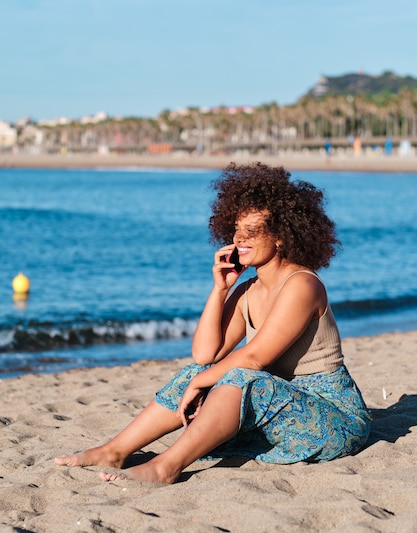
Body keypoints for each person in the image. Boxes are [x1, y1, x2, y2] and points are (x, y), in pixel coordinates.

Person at [55, 163, 371, 484]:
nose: (240, 239)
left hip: (333, 418)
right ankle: (116, 451)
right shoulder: (248, 291)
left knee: (238, 377)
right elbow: (205, 355)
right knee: (200, 373)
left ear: (280, 237)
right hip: (278, 407)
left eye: (252, 231)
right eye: (237, 229)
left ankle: (166, 467)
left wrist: (201, 383)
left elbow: (254, 358)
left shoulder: (302, 284)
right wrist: (220, 289)